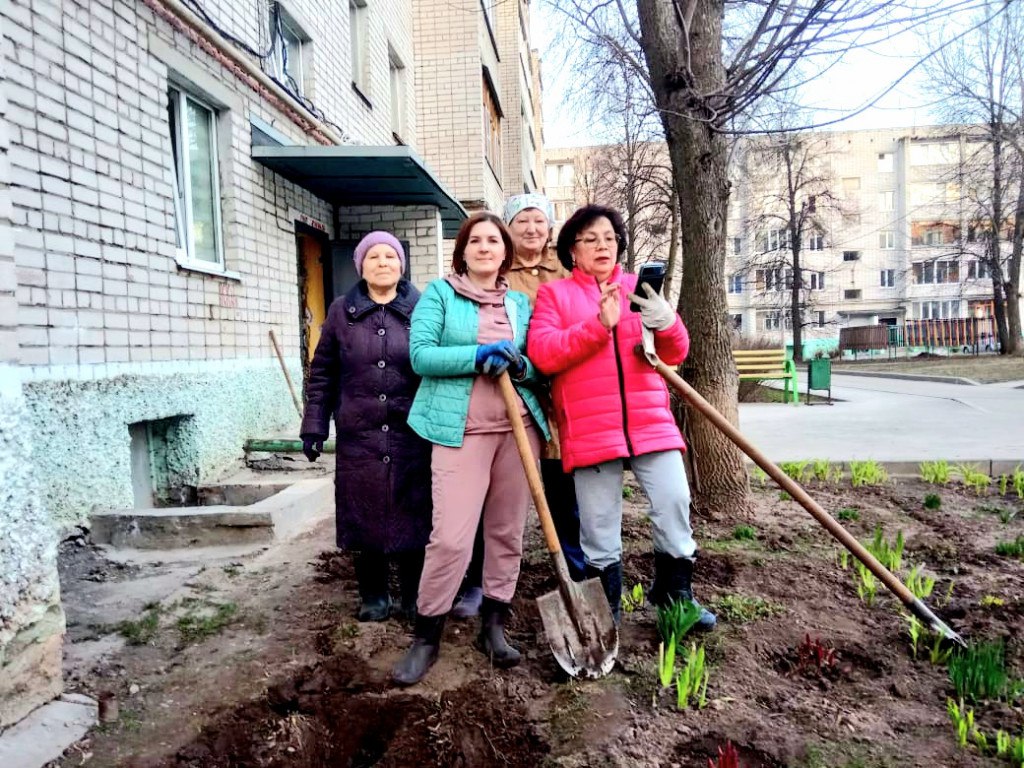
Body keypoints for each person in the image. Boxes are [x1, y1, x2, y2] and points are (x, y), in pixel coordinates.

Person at [527, 204, 716, 629]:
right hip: (591, 428)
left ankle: (674, 597)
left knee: (673, 503)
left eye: (609, 238)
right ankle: (604, 613)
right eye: (590, 239)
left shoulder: (638, 289)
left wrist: (666, 322)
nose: (602, 246)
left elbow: (674, 353)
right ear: (572, 250)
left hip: (651, 422)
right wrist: (598, 325)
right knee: (598, 527)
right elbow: (543, 354)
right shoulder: (555, 296)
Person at [392, 212, 550, 686]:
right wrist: (475, 357)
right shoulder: (440, 294)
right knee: (452, 539)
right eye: (475, 241)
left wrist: (521, 366)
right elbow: (418, 356)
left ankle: (494, 627)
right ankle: (426, 637)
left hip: (518, 431)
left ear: (505, 252)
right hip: (459, 432)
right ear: (462, 251)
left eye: (494, 241)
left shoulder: (520, 303)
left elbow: (539, 369)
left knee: (506, 533)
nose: (485, 247)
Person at [450, 194, 586, 620]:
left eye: (539, 221)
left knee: (563, 493)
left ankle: (574, 575)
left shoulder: (567, 270)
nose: (531, 229)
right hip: (505, 394)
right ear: (508, 228)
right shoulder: (491, 270)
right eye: (522, 220)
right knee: (488, 495)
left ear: (550, 228)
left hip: (560, 395)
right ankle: (476, 581)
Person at [300, 231, 431, 623]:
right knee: (364, 510)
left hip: (412, 430)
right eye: (373, 256)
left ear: (401, 265)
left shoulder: (422, 308)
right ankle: (374, 595)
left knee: (415, 510)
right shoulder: (342, 311)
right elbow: (322, 373)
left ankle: (412, 594)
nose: (383, 262)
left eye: (390, 256)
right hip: (360, 433)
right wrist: (314, 426)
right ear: (361, 266)